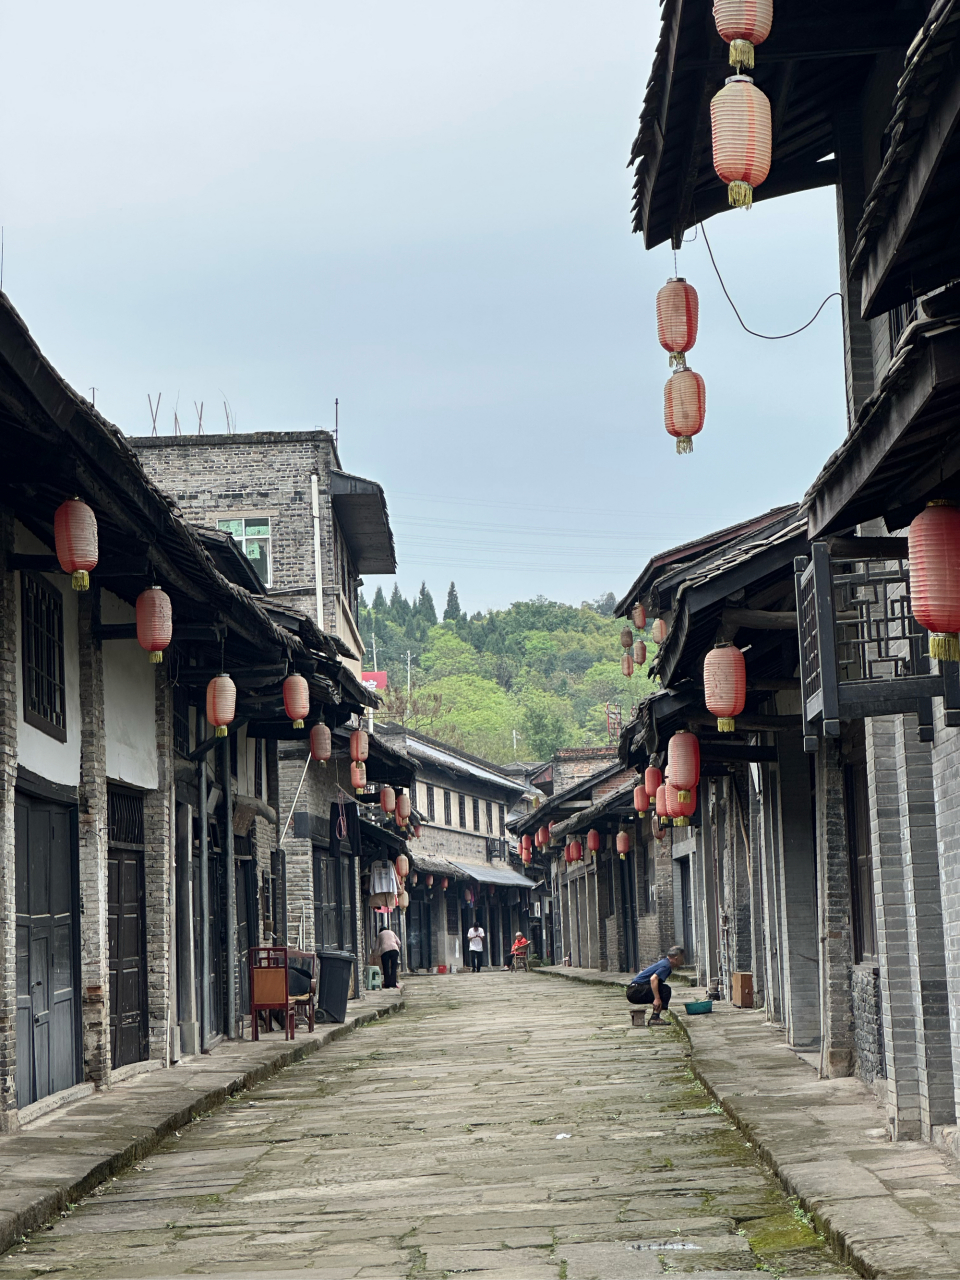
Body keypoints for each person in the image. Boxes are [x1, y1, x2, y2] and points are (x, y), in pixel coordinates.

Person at [626, 946, 684, 1026]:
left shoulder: (664, 963)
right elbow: (653, 979)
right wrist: (657, 998)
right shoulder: (666, 966)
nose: (683, 961)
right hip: (635, 991)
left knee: (661, 988)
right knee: (665, 990)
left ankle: (655, 1016)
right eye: (682, 958)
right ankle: (655, 1018)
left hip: (634, 989)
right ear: (676, 958)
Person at [372, 924, 402, 989]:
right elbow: (399, 942)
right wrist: (397, 949)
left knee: (386, 968)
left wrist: (375, 955)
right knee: (393, 967)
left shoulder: (380, 935)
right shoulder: (392, 932)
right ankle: (393, 984)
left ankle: (387, 984)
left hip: (385, 951)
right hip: (395, 950)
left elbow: (377, 947)